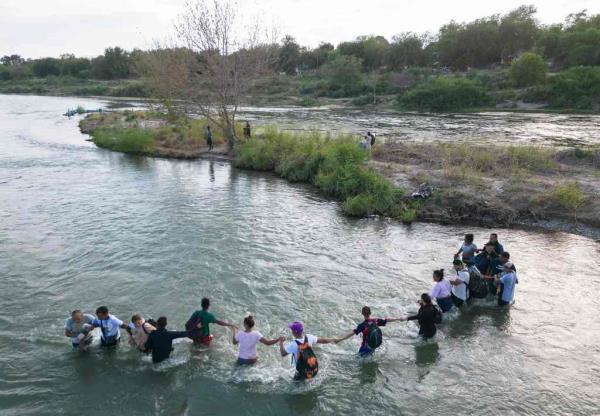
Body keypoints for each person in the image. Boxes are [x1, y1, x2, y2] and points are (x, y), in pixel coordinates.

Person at [334, 306, 403, 356]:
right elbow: (387, 320)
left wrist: (340, 339)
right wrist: (399, 319)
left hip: (365, 347)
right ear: (370, 313)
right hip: (373, 345)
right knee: (369, 356)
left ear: (362, 314)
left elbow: (352, 333)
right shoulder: (375, 321)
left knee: (359, 360)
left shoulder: (362, 325)